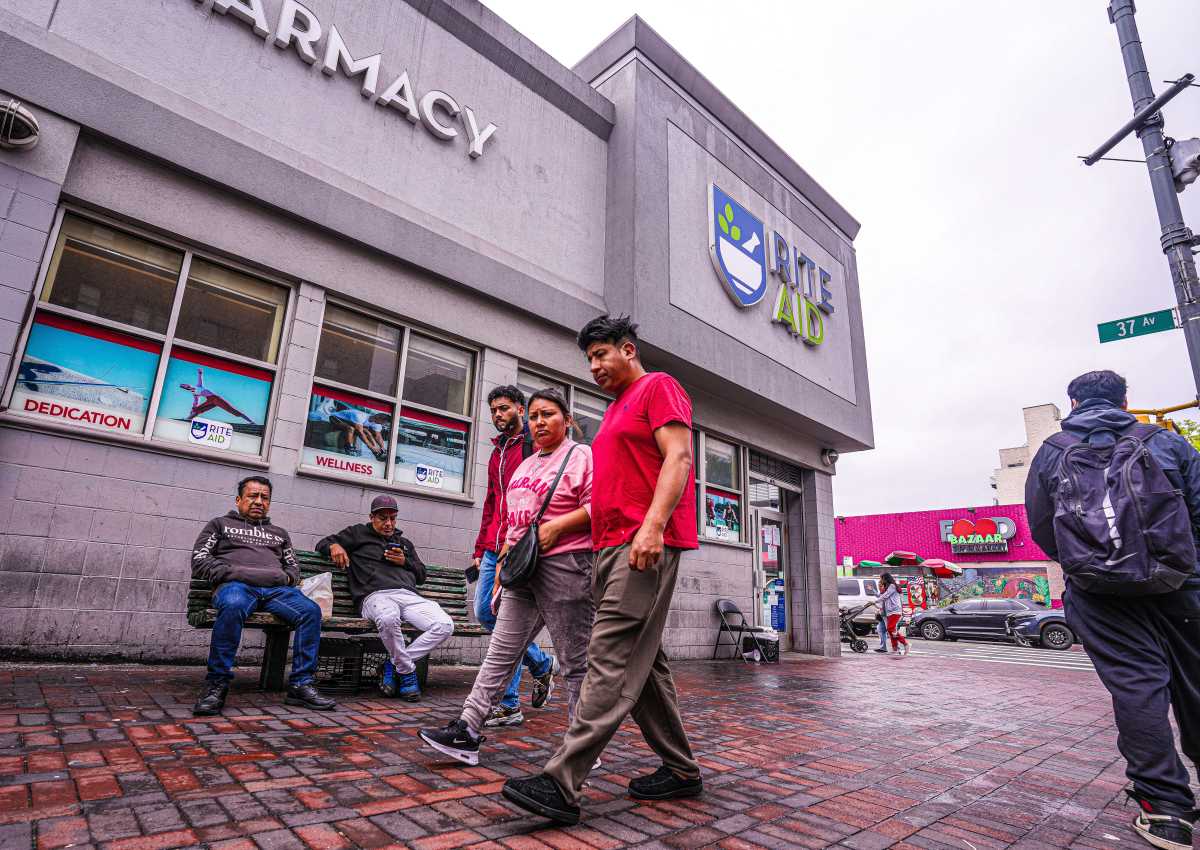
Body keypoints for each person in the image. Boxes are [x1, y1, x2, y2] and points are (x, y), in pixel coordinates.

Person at [501, 315, 703, 826]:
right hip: (611, 548)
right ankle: (681, 771)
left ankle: (562, 781)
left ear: (628, 349)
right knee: (646, 667)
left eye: (601, 355)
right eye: (588, 359)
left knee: (608, 654)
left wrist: (653, 527)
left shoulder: (658, 387)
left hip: (643, 545)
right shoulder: (616, 410)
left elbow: (678, 459)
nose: (594, 366)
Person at [1026, 370, 1200, 850]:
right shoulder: (1165, 442)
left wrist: (1085, 565)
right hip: (1182, 585)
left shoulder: (1053, 451)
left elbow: (1042, 527)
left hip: (1100, 592)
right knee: (1195, 683)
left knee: (1137, 689)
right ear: (1126, 400)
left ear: (1075, 402)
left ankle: (1166, 811)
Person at [419, 389, 595, 765]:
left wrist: (559, 526)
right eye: (534, 417)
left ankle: (583, 747)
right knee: (500, 654)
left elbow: (600, 507)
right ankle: (467, 729)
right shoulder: (525, 466)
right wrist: (500, 566)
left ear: (566, 418)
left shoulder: (581, 456)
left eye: (547, 414)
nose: (539, 422)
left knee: (575, 661)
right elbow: (512, 522)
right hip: (521, 570)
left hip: (566, 566)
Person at [190, 476, 335, 715]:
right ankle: (217, 683)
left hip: (276, 591)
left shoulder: (279, 533)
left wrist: (286, 578)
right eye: (252, 496)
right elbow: (200, 559)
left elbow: (293, 568)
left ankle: (301, 684)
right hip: (236, 587)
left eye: (264, 498)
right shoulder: (220, 525)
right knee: (233, 605)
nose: (259, 501)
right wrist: (230, 573)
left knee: (310, 611)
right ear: (239, 500)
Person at [468, 385, 555, 727]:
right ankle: (540, 663)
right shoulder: (497, 452)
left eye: (503, 409)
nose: (497, 415)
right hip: (493, 545)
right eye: (493, 411)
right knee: (483, 613)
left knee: (506, 622)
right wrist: (480, 548)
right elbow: (491, 502)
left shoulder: (533, 446)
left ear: (520, 408)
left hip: (519, 547)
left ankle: (508, 704)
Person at [316, 495, 453, 702]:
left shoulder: (404, 543)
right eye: (383, 518)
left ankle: (393, 664)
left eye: (393, 518)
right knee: (388, 618)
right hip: (375, 595)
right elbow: (323, 543)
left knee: (444, 625)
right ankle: (407, 674)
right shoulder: (358, 533)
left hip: (408, 596)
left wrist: (405, 562)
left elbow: (421, 575)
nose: (389, 523)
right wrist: (334, 546)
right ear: (372, 517)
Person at [181, 367, 255, 424]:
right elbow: (196, 401)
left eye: (186, 385)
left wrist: (200, 373)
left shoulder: (198, 386)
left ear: (188, 384)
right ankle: (188, 419)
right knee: (196, 410)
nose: (187, 386)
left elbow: (200, 378)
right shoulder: (195, 393)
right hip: (210, 401)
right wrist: (194, 408)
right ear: (187, 388)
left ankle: (251, 421)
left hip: (216, 399)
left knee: (233, 410)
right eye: (185, 387)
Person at [877, 573, 908, 657]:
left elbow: (886, 596)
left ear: (885, 578)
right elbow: (884, 596)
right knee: (891, 631)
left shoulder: (892, 586)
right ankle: (895, 649)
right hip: (890, 612)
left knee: (890, 628)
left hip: (895, 611)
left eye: (882, 578)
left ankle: (905, 643)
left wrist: (876, 601)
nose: (881, 580)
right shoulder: (888, 587)